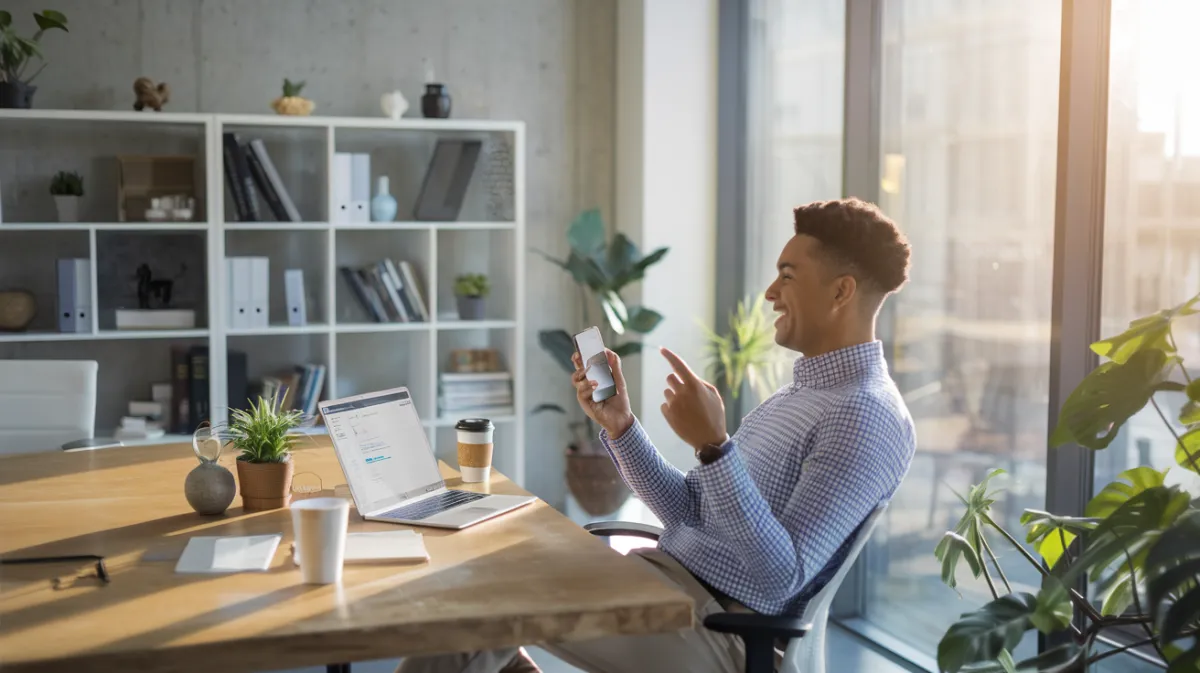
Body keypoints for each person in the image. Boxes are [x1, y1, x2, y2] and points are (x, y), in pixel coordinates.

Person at [399, 198, 917, 673]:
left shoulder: (865, 416)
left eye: (787, 275)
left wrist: (716, 449)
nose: (770, 293)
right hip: (668, 586)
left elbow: (778, 581)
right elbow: (691, 511)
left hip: (719, 631)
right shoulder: (798, 396)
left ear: (841, 290)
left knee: (476, 603)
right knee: (484, 581)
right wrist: (621, 426)